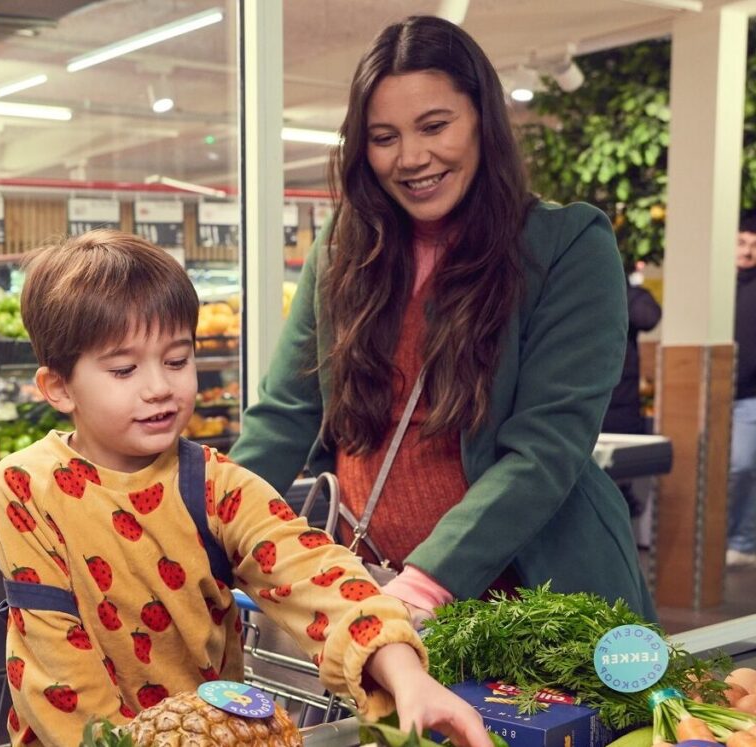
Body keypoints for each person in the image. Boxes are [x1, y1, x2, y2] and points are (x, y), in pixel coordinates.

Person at [0, 229, 489, 747]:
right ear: (59, 388)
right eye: (124, 368)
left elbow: (314, 570)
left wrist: (404, 671)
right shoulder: (26, 488)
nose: (159, 385)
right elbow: (57, 666)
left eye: (178, 360)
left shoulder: (211, 483)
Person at [229, 15, 655, 623]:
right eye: (383, 136)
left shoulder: (567, 245)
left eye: (435, 125)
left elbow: (546, 446)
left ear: (482, 117)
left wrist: (423, 587)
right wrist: (202, 538)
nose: (412, 157)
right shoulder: (345, 248)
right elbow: (285, 414)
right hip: (372, 588)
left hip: (531, 600)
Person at [604, 268, 661, 519]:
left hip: (620, 410)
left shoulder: (630, 296)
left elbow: (648, 317)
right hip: (582, 405)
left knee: (617, 490)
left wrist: (614, 289)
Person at [727, 212, 756, 567]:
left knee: (742, 466)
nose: (747, 251)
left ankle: (743, 542)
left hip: (750, 396)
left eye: (753, 244)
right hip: (715, 394)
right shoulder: (719, 284)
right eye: (741, 242)